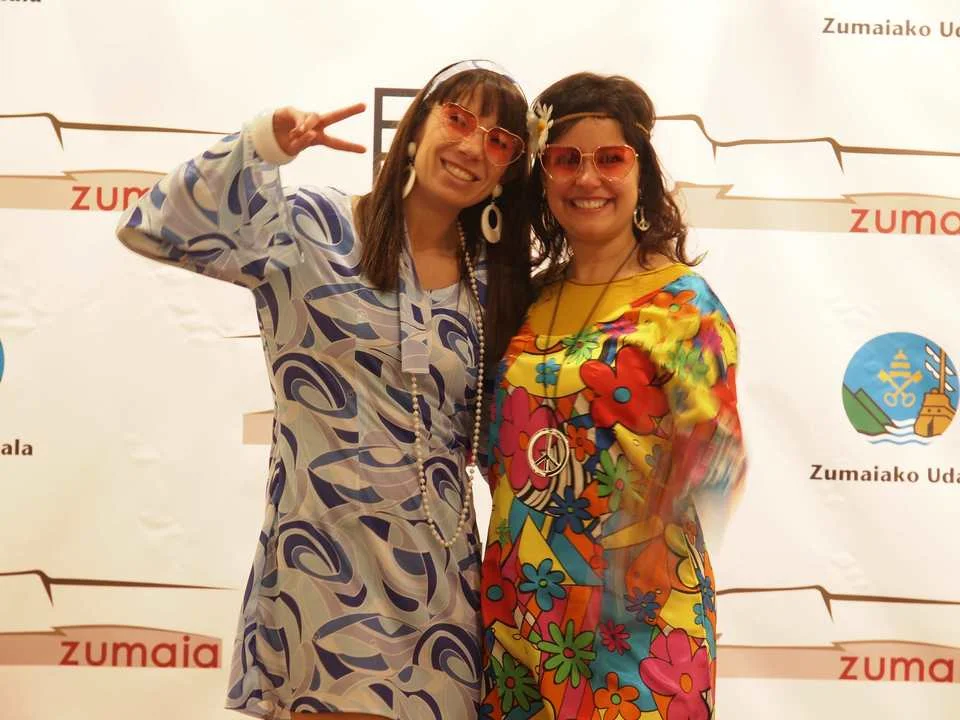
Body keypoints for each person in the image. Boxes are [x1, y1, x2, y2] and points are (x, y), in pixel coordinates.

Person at [116, 59, 531, 720]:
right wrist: (263, 145)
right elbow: (156, 226)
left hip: (441, 578)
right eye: (458, 119)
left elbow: (506, 440)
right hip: (325, 563)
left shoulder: (496, 283)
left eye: (499, 140)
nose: (473, 146)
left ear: (508, 168)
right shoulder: (314, 227)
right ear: (417, 126)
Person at [480, 73, 746, 720]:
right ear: (543, 176)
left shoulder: (683, 305)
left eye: (610, 158)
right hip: (522, 611)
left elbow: (717, 455)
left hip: (637, 624)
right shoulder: (526, 301)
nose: (587, 178)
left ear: (641, 172)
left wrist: (634, 553)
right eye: (565, 159)